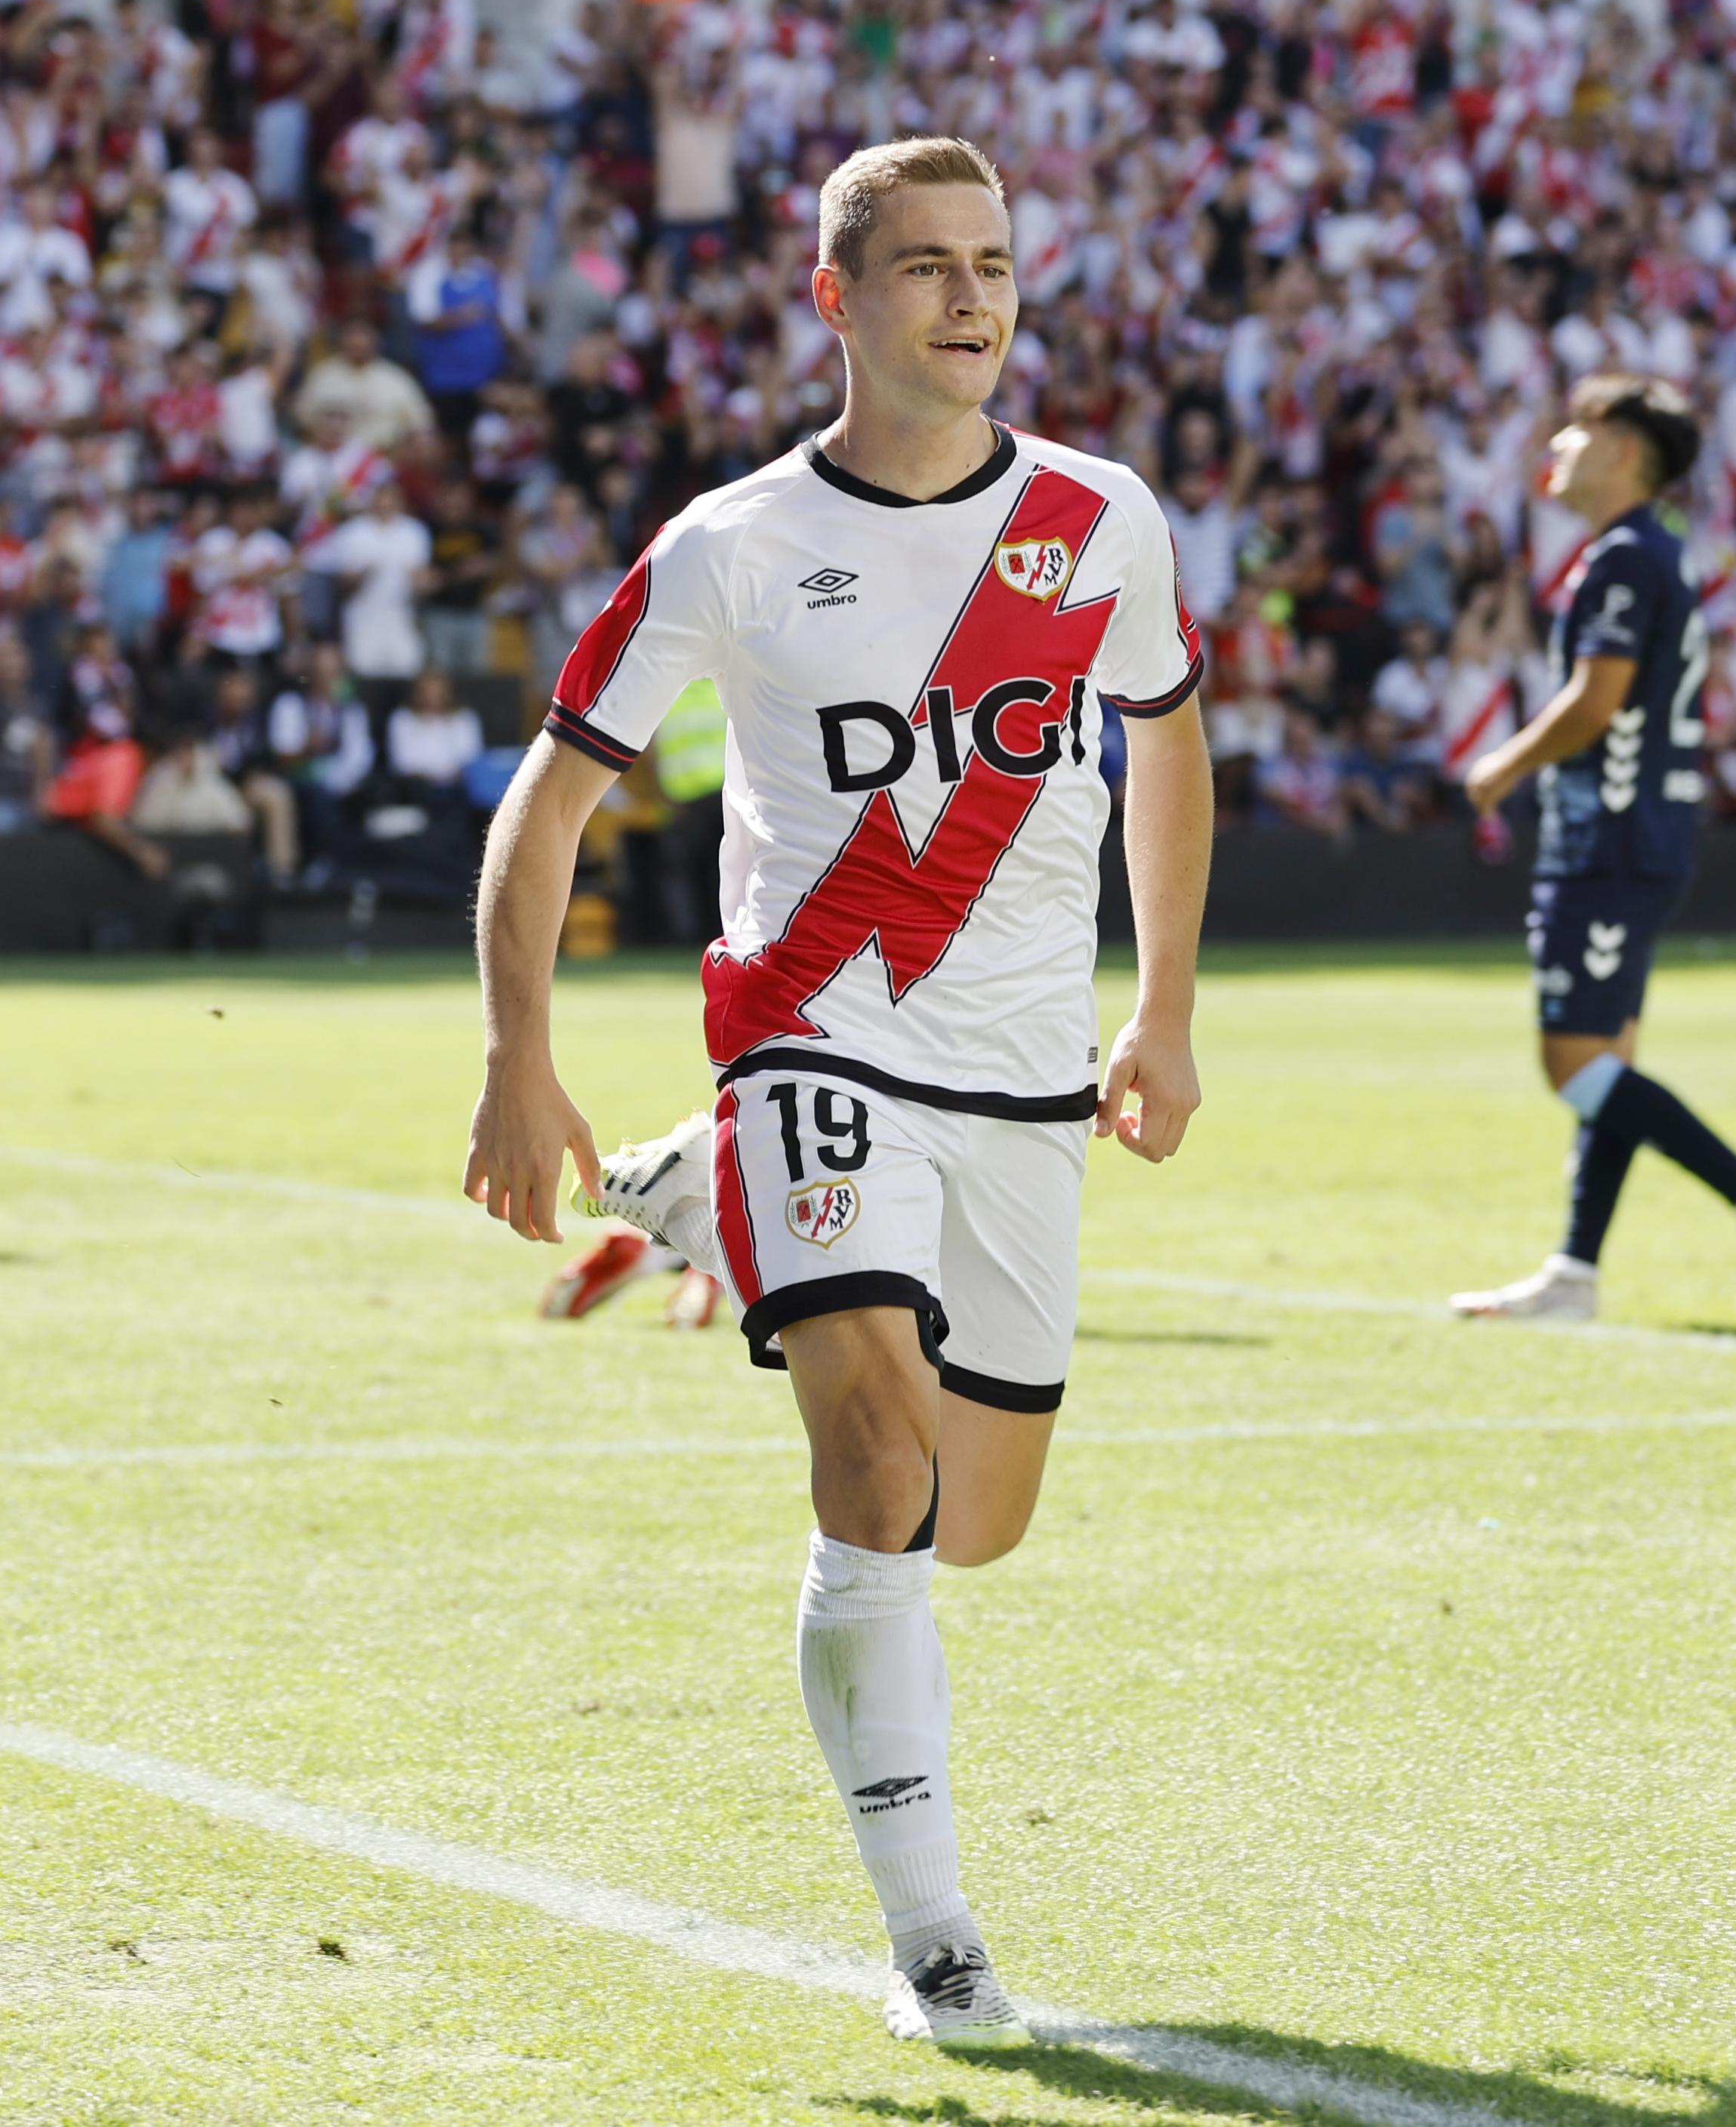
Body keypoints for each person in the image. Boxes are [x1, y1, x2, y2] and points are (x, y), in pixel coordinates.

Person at [461, 136, 1210, 2051]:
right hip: (814, 1038)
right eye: (924, 267)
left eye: (992, 264)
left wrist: (1166, 1008)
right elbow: (551, 799)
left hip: (1028, 1076)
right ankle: (935, 1930)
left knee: (974, 1522)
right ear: (837, 299)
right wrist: (513, 1054)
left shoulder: (1098, 517)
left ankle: (704, 1188)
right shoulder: (723, 545)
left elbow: (1163, 750)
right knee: (875, 1466)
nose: (969, 297)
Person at [1445, 373, 1736, 1324]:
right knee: (1607, 1064)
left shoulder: (1621, 560)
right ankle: (1574, 1272)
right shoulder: (1651, 553)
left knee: (1572, 1064)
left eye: (1578, 431)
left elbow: (1595, 701)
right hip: (1638, 832)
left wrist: (1501, 766)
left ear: (1621, 453)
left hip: (1607, 835)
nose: (1557, 446)